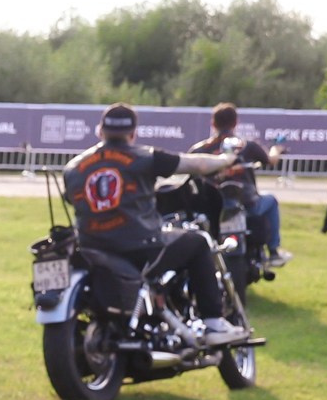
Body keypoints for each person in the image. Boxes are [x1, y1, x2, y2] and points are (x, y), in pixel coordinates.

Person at [62, 103, 250, 345]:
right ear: (133, 133)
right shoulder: (145, 157)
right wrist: (226, 159)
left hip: (92, 248)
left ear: (100, 132)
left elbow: (73, 199)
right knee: (198, 241)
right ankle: (213, 321)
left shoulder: (73, 168)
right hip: (140, 247)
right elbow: (198, 165)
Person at [188, 104, 288, 266]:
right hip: (247, 202)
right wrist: (276, 149)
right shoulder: (247, 146)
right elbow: (271, 160)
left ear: (213, 124)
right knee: (271, 200)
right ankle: (274, 251)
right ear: (236, 123)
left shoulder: (199, 149)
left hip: (210, 205)